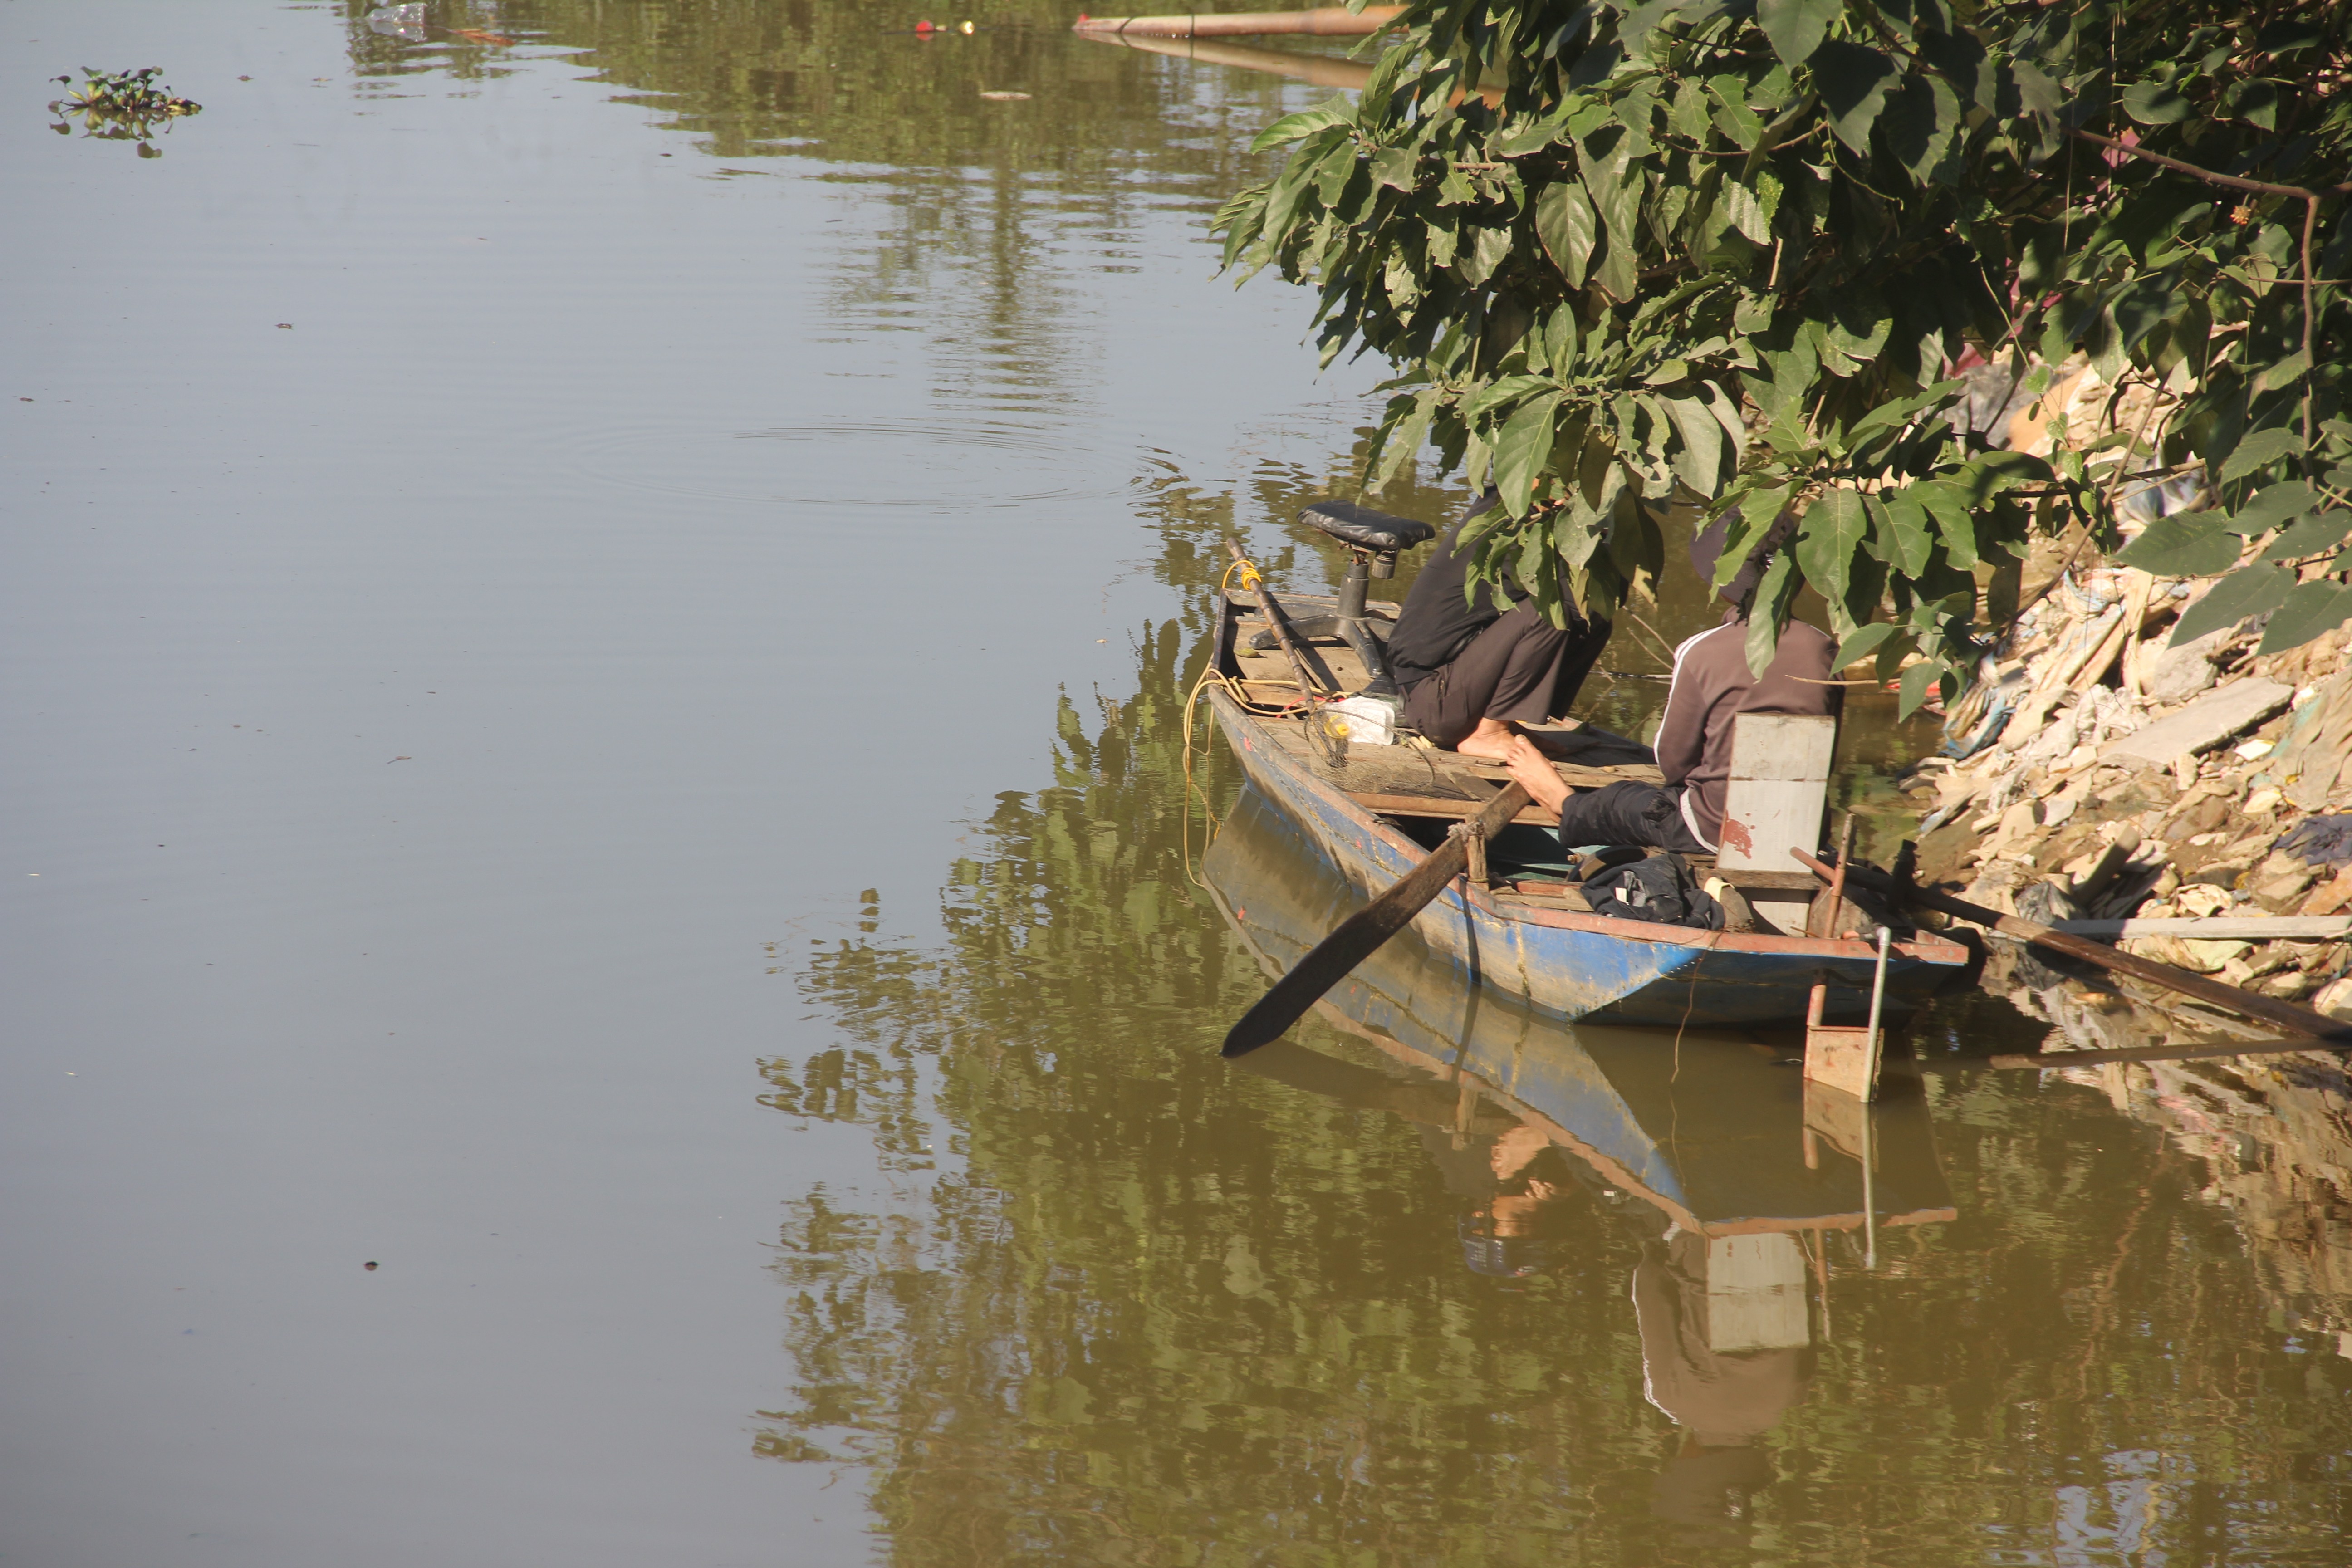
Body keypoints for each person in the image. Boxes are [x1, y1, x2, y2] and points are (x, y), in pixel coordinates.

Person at [1501, 509, 1839, 853]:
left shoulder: (1703, 652)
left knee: (1622, 801)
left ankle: (1562, 802)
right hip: (1804, 828)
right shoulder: (1826, 650)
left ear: (1719, 579)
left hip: (1716, 830)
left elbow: (1674, 762)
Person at [1385, 492, 1613, 760]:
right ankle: (1489, 732)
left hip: (1455, 694)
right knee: (1554, 610)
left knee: (1596, 617)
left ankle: (1506, 722)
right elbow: (1574, 597)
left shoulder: (1531, 518)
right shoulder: (1508, 526)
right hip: (1435, 702)